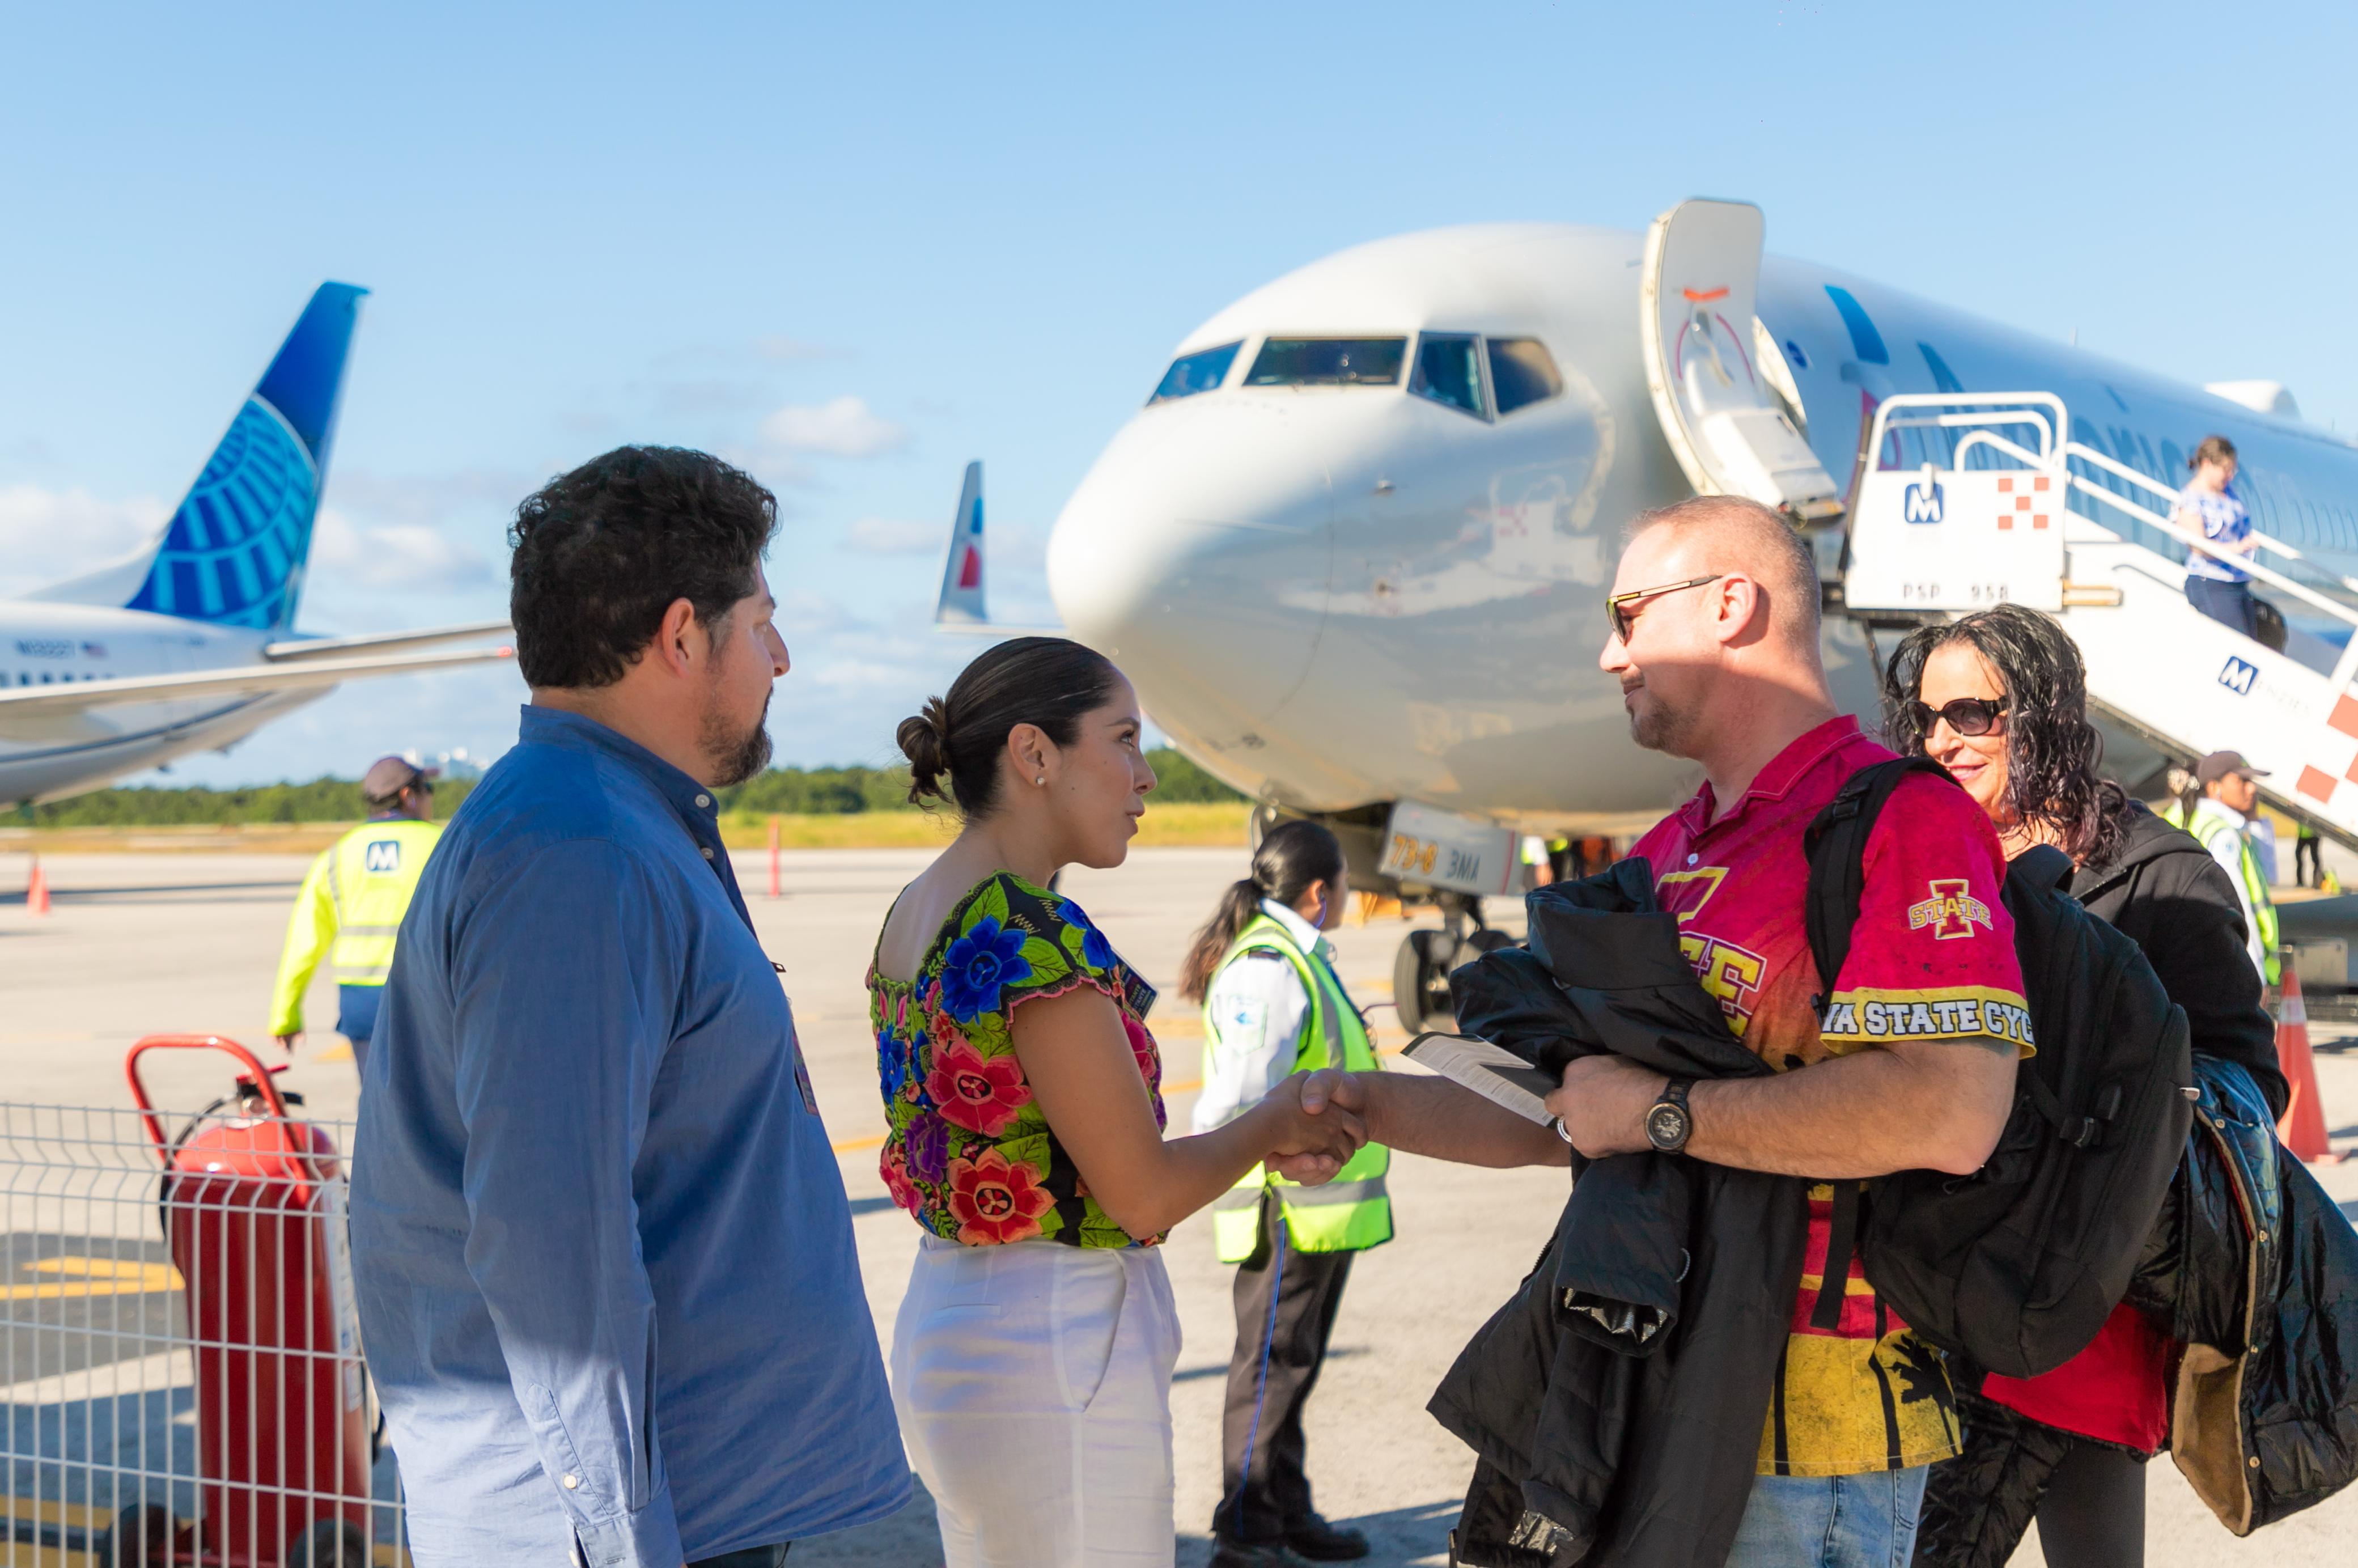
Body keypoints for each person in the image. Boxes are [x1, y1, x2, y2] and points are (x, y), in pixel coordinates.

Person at [1285, 495, 2029, 1568]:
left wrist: (1661, 1111)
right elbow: (1572, 1114)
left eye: (1628, 614)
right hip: (1644, 1380)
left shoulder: (1904, 819)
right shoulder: (1671, 850)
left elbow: (1952, 1112)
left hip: (1809, 1437)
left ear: (1732, 606)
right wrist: (1367, 1106)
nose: (1607, 653)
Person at [349, 447, 906, 1568]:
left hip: (706, 1508)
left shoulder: (615, 823)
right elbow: (551, 1245)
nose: (782, 658)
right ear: (683, 635)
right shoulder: (579, 855)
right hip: (660, 1530)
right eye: (763, 624)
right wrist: (617, 1536)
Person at [872, 637, 1365, 1568]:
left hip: (953, 1319)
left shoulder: (921, 903)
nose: (1145, 778)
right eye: (1125, 740)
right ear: (1035, 754)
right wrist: (1273, 1121)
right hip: (1053, 1346)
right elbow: (1141, 1195)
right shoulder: (1026, 932)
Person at [1884, 603, 2285, 1568]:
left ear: (2047, 712)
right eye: (1929, 717)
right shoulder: (1924, 862)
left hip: (2078, 1304)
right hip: (1924, 1285)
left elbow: (2245, 1085)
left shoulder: (2156, 874)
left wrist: (2096, 1117)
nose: (1943, 739)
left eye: (1973, 713)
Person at [1179, 819, 1389, 1567]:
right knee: (1269, 1365)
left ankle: (1284, 1507)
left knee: (1292, 1365)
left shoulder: (1300, 957)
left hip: (1318, 1207)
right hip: (1284, 1201)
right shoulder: (1268, 966)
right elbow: (1240, 1099)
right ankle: (1243, 1532)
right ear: (1318, 890)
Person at [267, 753, 440, 1070]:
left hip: (360, 1002)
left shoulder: (337, 855)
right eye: (428, 788)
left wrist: (285, 1013)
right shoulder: (444, 847)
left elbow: (304, 941)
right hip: (427, 998)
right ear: (408, 795)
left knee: (376, 1105)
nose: (430, 797)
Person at [2165, 751, 2283, 986]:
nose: (2252, 789)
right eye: (2242, 781)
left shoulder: (2182, 817)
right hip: (2226, 971)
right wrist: (2255, 976)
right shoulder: (2223, 835)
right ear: (2214, 787)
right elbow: (2240, 910)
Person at [2175, 435, 2260, 637]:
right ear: (2207, 464)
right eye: (2225, 469)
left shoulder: (2228, 493)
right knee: (2240, 645)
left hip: (2236, 581)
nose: (2230, 475)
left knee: (2254, 645)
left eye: (2233, 470)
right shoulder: (2191, 500)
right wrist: (2238, 548)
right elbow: (2198, 546)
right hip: (2211, 581)